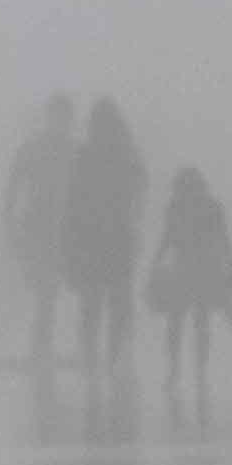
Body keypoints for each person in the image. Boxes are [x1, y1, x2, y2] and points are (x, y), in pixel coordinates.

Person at [145, 164, 232, 413]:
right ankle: (181, 370)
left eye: (187, 187)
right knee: (186, 323)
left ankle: (190, 370)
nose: (185, 191)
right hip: (188, 270)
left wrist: (229, 263)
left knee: (194, 322)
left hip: (198, 271)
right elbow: (168, 237)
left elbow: (220, 238)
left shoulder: (204, 208)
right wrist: (156, 261)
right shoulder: (180, 207)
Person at [62, 99, 147, 379]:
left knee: (98, 304)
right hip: (110, 237)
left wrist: (71, 236)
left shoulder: (90, 155)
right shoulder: (124, 154)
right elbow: (139, 194)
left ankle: (99, 362)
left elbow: (72, 199)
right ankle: (106, 362)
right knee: (110, 303)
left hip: (100, 238)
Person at [3, 96, 78, 362]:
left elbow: (86, 189)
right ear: (49, 117)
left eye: (65, 117)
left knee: (58, 286)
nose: (62, 123)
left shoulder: (75, 150)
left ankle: (48, 339)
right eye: (58, 116)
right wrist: (8, 218)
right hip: (39, 224)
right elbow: (13, 184)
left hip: (68, 226)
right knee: (44, 286)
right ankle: (42, 339)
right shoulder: (33, 148)